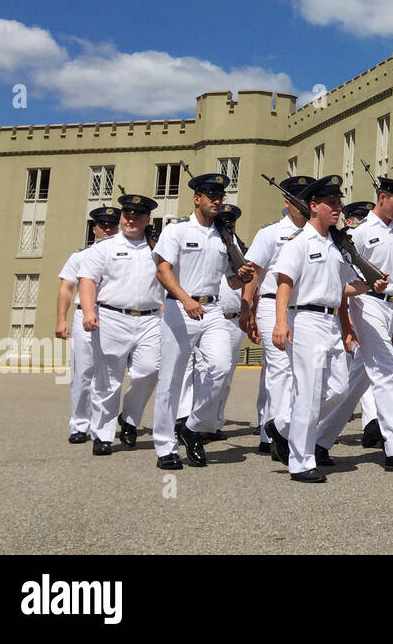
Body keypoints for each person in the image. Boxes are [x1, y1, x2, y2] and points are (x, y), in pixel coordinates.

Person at [272, 175, 387, 483]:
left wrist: (370, 285)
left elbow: (344, 287)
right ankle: (300, 462)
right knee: (308, 394)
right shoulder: (298, 244)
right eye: (332, 204)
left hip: (330, 321)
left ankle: (282, 426)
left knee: (337, 389)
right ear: (314, 206)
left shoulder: (335, 247)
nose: (338, 209)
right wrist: (281, 322)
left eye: (339, 204)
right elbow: (285, 284)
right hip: (304, 320)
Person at [151, 173, 254, 470]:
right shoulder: (177, 231)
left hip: (212, 310)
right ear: (197, 198)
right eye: (210, 194)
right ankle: (164, 446)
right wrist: (185, 299)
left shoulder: (225, 236)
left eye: (220, 195)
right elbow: (163, 271)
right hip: (179, 308)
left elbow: (230, 281)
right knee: (171, 379)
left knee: (221, 368)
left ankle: (193, 427)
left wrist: (241, 277)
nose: (216, 200)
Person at [313, 177, 393, 470]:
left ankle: (317, 438)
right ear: (382, 197)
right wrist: (346, 325)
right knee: (386, 372)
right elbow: (343, 281)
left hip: (392, 308)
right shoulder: (358, 234)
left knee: (357, 381)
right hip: (367, 304)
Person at [80, 193, 164, 455]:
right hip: (111, 317)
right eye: (127, 214)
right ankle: (102, 434)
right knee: (108, 380)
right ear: (121, 216)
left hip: (150, 318)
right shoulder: (103, 247)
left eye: (138, 215)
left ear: (147, 218)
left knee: (150, 371)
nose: (131, 219)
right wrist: (87, 311)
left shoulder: (157, 248)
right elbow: (87, 280)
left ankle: (129, 417)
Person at [241, 175, 312, 460]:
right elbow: (254, 272)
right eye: (300, 200)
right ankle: (274, 437)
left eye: (309, 199)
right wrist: (247, 308)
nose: (305, 205)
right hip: (271, 304)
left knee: (291, 371)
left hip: (303, 308)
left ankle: (274, 428)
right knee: (280, 368)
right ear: (287, 202)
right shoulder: (270, 233)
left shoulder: (317, 233)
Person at [178, 204, 247, 440]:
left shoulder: (237, 247)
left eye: (232, 222)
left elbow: (242, 283)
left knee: (223, 373)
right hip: (203, 312)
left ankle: (213, 422)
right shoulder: (210, 240)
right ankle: (187, 418)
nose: (228, 225)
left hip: (232, 319)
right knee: (196, 371)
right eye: (224, 221)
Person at [56, 207, 120, 444]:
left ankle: (101, 426)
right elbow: (66, 288)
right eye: (103, 225)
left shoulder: (124, 253)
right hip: (84, 315)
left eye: (112, 225)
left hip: (115, 317)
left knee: (109, 375)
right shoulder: (80, 257)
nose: (107, 229)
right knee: (83, 373)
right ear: (94, 229)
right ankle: (79, 424)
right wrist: (61, 319)